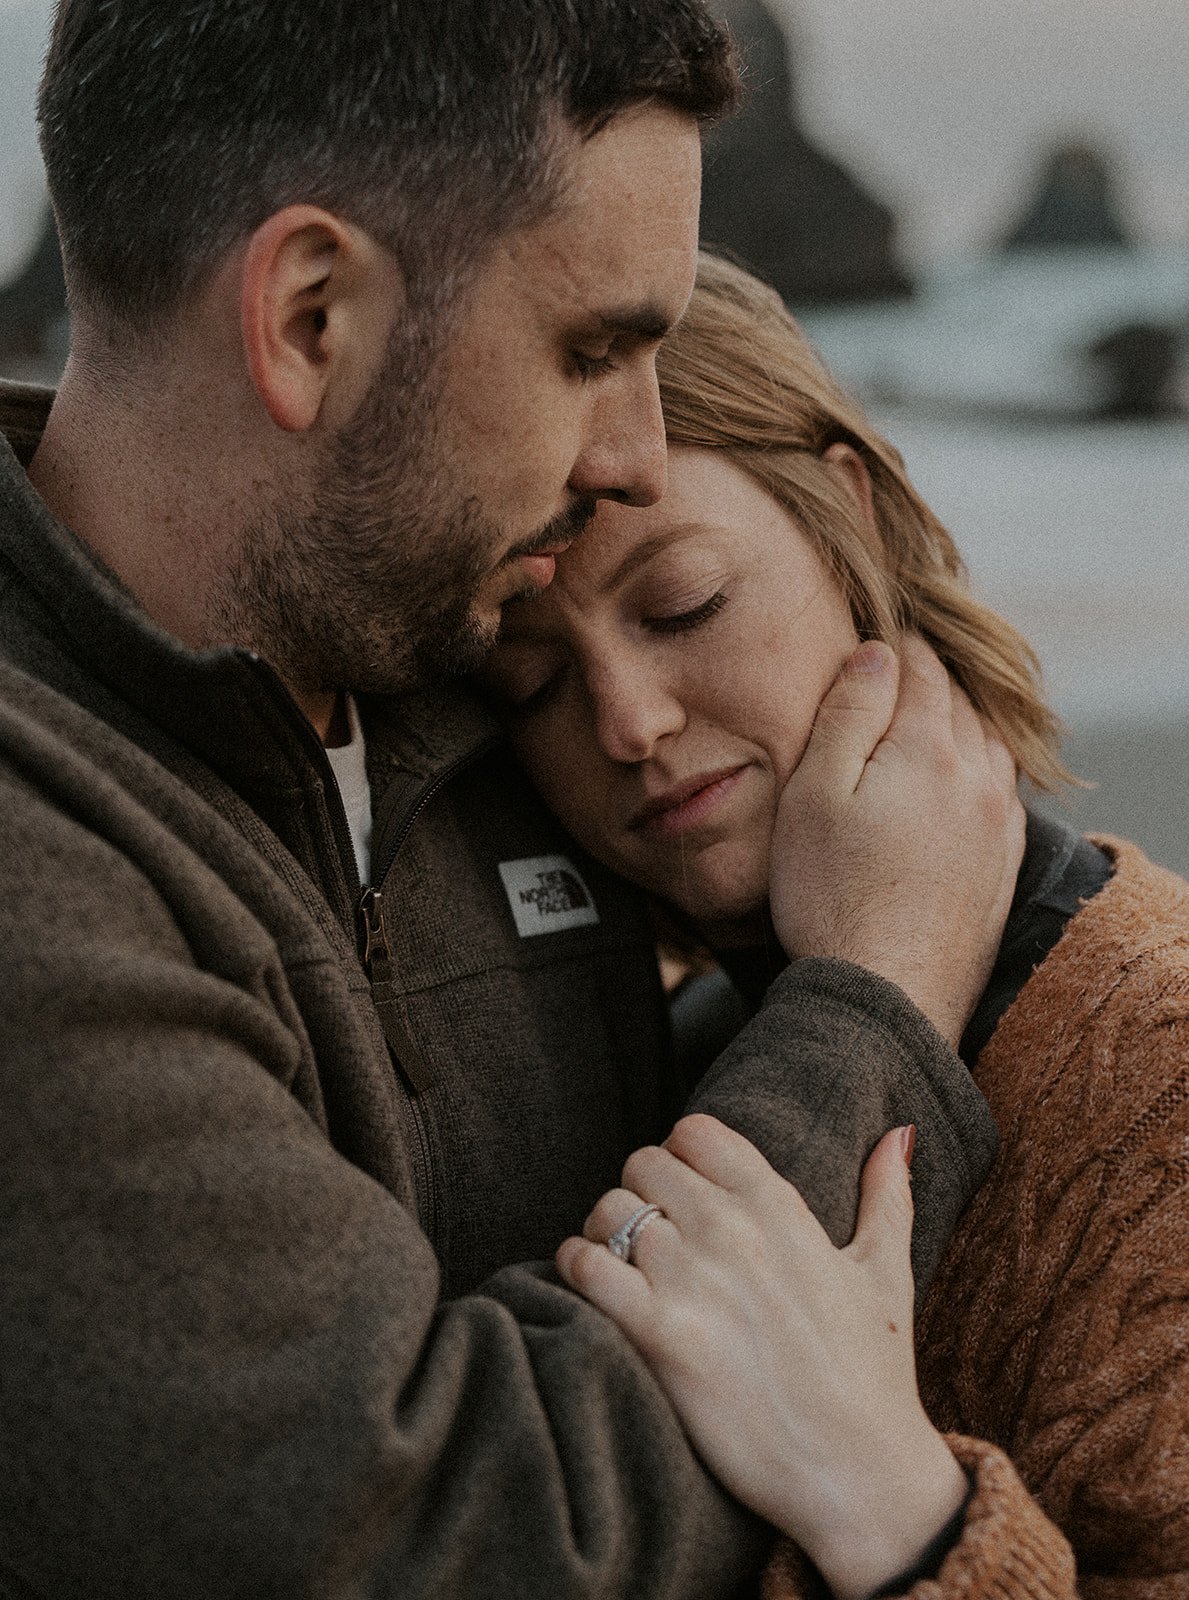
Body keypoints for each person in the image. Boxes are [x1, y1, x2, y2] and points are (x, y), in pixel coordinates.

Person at [0, 4, 1029, 1593]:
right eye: (592, 350)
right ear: (310, 315)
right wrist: (879, 999)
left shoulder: (476, 669)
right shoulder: (40, 850)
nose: (635, 452)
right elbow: (452, 1535)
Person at [481, 252, 1189, 1597]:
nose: (627, 721)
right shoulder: (668, 1044)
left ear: (844, 515)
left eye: (681, 603)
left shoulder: (1160, 1067)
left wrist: (902, 1513)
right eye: (527, 684)